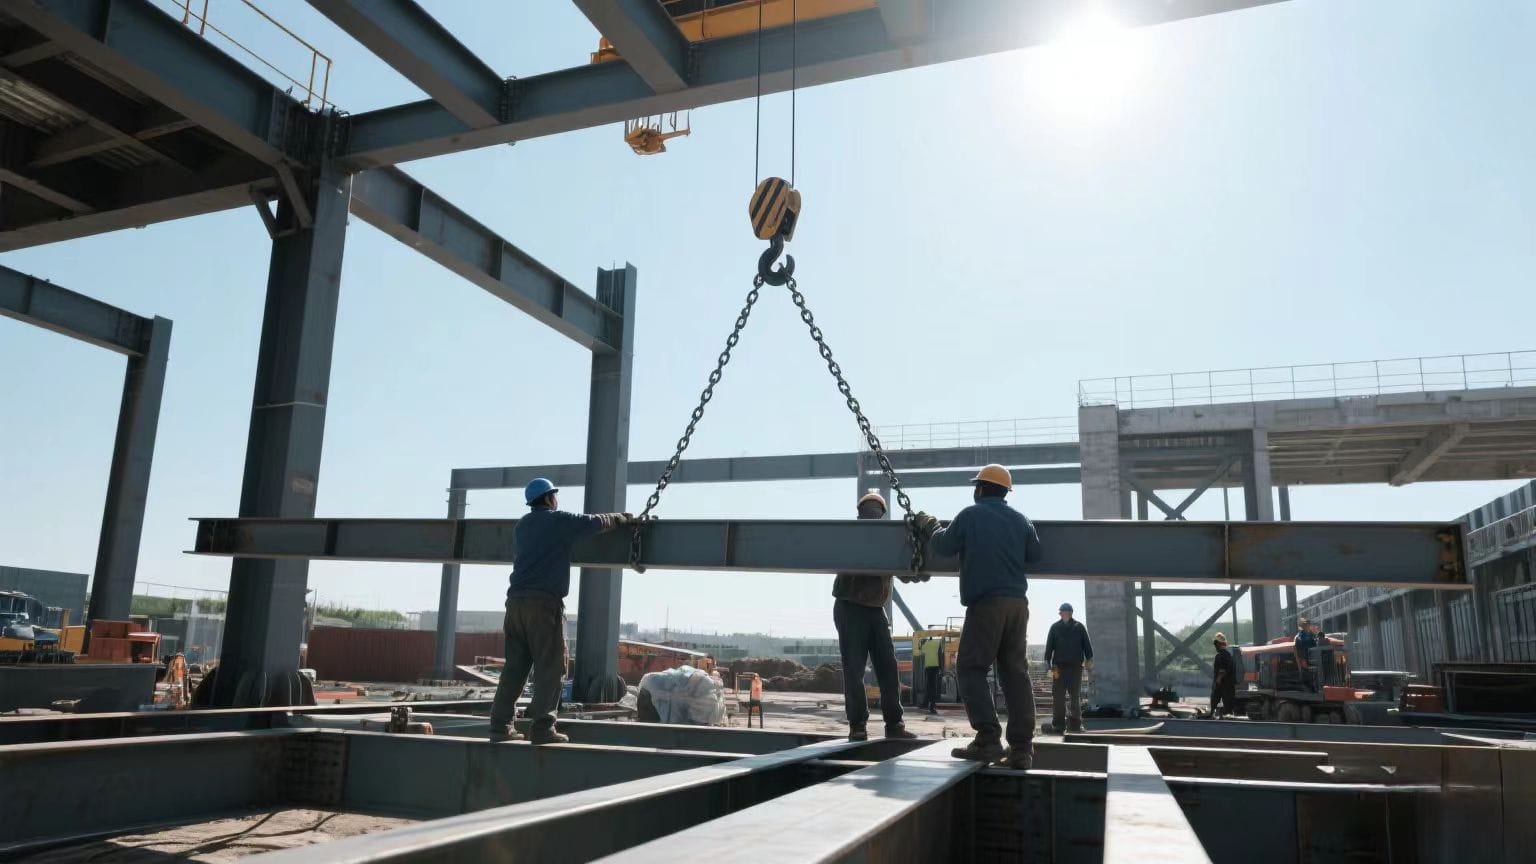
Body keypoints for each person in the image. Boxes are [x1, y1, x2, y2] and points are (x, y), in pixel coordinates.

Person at [919, 464, 1043, 770]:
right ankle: (1022, 750)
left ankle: (988, 739)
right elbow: (1036, 555)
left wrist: (929, 526)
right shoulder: (1021, 520)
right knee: (1016, 674)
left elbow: (944, 545)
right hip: (1018, 605)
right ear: (1005, 492)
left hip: (986, 604)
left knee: (971, 668)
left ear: (980, 489)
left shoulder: (970, 515)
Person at [489, 478, 630, 744]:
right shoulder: (556, 521)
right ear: (550, 498)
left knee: (514, 668)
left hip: (514, 605)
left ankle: (499, 726)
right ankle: (542, 728)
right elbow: (593, 522)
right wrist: (620, 518)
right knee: (551, 667)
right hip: (543, 606)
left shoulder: (522, 526)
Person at [832, 491, 918, 742]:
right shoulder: (853, 535)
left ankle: (894, 724)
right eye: (870, 511)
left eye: (874, 511)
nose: (872, 515)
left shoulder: (887, 537)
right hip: (851, 606)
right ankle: (858, 724)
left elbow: (905, 571)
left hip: (874, 610)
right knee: (855, 669)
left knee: (888, 667)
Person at [1043, 602, 1093, 734]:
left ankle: (1076, 724)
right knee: (1057, 696)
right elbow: (1049, 647)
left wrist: (1089, 661)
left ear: (1071, 613)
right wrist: (1046, 662)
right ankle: (1058, 724)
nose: (1065, 614)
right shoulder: (1054, 627)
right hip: (1056, 667)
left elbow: (1087, 646)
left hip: (1075, 667)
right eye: (1063, 612)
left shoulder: (1079, 627)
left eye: (1068, 612)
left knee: (1075, 696)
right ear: (1060, 613)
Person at [1210, 632, 1236, 718]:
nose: (1215, 646)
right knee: (1224, 702)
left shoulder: (1223, 655)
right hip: (1225, 684)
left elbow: (1224, 669)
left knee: (1219, 701)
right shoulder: (1226, 655)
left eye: (1216, 644)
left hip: (1224, 684)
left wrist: (1219, 678)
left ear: (1219, 644)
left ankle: (1215, 715)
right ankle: (1222, 716)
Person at [919, 633, 943, 715]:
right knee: (933, 687)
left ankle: (926, 704)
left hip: (928, 667)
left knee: (929, 686)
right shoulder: (937, 643)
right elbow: (940, 655)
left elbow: (921, 651)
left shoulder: (926, 644)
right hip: (935, 667)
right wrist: (941, 668)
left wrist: (921, 642)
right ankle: (931, 706)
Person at [1292, 617, 1317, 692]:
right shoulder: (1299, 636)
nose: (1308, 626)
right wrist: (1300, 659)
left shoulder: (1312, 635)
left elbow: (1315, 643)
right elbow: (1297, 649)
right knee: (1307, 673)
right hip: (1304, 657)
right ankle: (1308, 687)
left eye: (1308, 625)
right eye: (1306, 625)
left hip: (1313, 656)